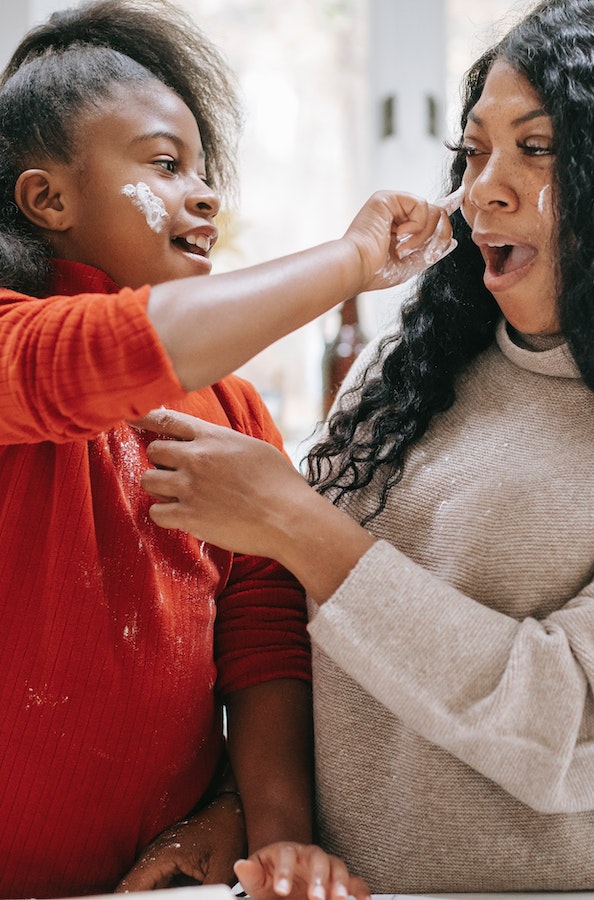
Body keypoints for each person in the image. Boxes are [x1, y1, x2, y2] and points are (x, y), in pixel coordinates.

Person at [137, 0, 594, 895]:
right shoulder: (412, 376)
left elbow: (581, 727)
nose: (485, 187)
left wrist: (300, 526)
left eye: (536, 150)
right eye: (475, 149)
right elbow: (300, 645)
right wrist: (243, 808)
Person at [0, 0, 452, 896]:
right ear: (48, 199)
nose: (204, 195)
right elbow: (122, 347)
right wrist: (355, 257)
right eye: (164, 166)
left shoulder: (235, 408)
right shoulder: (16, 347)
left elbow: (263, 643)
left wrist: (273, 842)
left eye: (205, 171)